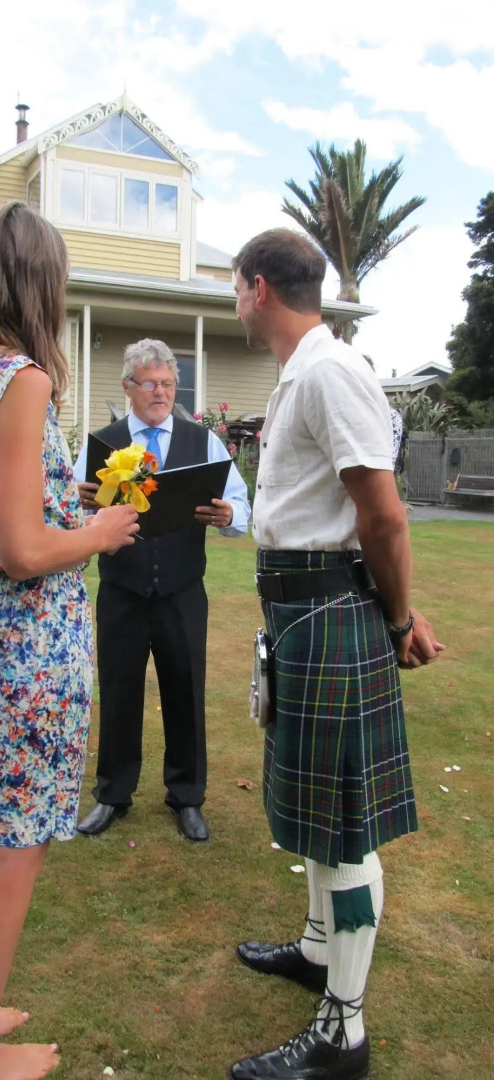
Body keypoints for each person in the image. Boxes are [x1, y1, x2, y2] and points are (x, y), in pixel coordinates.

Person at [0, 202, 138, 1080]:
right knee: (16, 848)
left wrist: (61, 513)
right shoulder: (23, 379)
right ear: (39, 283)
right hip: (27, 637)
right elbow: (23, 550)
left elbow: (0, 517)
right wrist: (100, 531)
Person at [227, 229, 445, 1080]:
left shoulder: (327, 371)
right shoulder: (301, 374)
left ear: (256, 288)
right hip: (300, 612)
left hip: (327, 612)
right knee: (320, 811)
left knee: (345, 826)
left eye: (232, 288)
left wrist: (396, 622)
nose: (231, 301)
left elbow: (382, 516)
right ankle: (320, 949)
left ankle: (342, 1033)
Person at [73, 339, 251, 843]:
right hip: (122, 590)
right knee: (119, 691)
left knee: (186, 691)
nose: (160, 393)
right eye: (150, 383)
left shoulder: (204, 442)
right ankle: (112, 795)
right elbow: (71, 513)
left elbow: (239, 502)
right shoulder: (100, 445)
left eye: (169, 384)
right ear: (128, 387)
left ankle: (187, 797)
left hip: (181, 590)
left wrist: (230, 514)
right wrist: (81, 500)